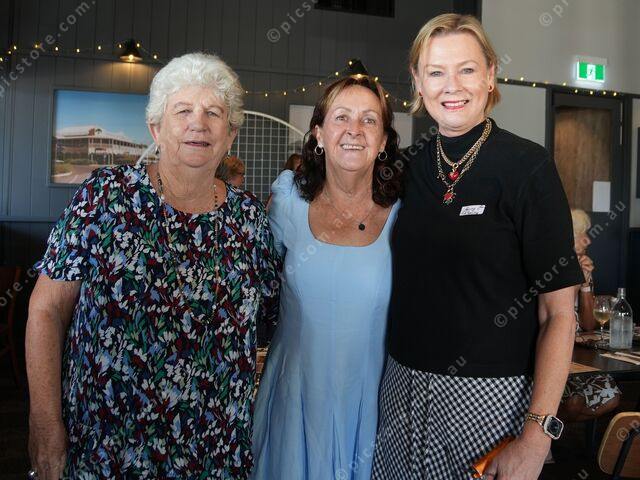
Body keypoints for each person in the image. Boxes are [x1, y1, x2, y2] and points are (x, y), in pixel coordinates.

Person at [25, 52, 280, 480]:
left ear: (230, 135)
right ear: (156, 129)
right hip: (106, 447)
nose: (198, 124)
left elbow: (266, 323)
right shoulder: (105, 196)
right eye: (182, 111)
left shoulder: (249, 218)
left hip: (213, 452)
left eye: (213, 113)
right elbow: (46, 310)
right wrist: (44, 421)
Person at [371, 14, 584, 480]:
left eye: (467, 69)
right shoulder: (404, 169)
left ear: (490, 75)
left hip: (492, 398)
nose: (452, 86)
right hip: (401, 392)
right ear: (417, 82)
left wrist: (536, 438)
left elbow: (558, 314)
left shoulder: (528, 167)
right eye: (436, 72)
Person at [251, 75, 402, 480]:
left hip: (372, 405)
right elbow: (254, 285)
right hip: (295, 400)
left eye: (369, 120)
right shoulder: (287, 201)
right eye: (341, 117)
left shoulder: (405, 215)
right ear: (318, 133)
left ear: (383, 140)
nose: (355, 130)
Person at [558, 209, 621, 423]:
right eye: (582, 234)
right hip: (556, 354)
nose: (588, 240)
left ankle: (555, 427)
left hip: (578, 356)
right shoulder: (552, 270)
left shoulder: (582, 264)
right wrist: (574, 285)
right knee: (574, 403)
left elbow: (588, 324)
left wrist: (585, 284)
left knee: (611, 398)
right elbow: (559, 315)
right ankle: (547, 433)